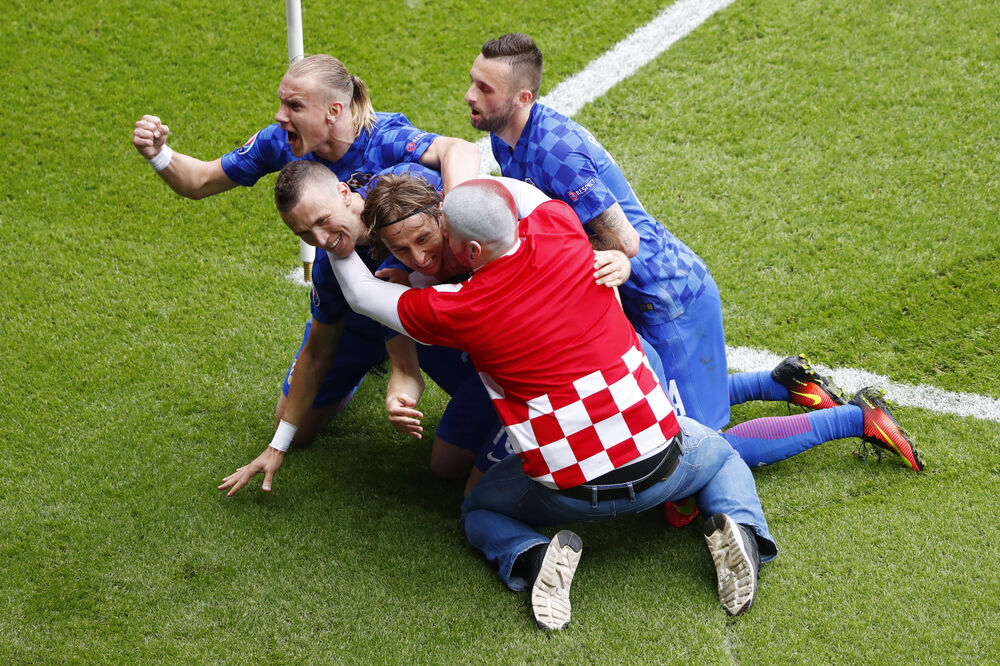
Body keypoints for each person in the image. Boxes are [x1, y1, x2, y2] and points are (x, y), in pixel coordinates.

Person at [461, 33, 923, 481]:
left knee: (698, 448)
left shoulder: (555, 152)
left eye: (484, 88)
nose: (469, 96)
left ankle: (856, 418)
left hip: (667, 298)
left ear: (522, 97)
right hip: (632, 296)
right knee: (660, 403)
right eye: (472, 81)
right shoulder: (508, 138)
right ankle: (785, 382)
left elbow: (625, 244)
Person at [331, 178, 778, 627]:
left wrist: (334, 240)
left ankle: (533, 554)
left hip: (572, 496)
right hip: (662, 465)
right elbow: (522, 194)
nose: (424, 255)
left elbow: (361, 295)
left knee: (478, 509)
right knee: (722, 459)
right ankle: (744, 532)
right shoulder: (560, 225)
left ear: (467, 251)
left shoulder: (457, 309)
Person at [217, 161, 496, 497]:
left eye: (321, 221)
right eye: (304, 233)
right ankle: (363, 369)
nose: (320, 239)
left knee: (455, 451)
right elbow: (318, 351)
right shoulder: (329, 268)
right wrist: (277, 447)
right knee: (296, 429)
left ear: (344, 193)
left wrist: (455, 205)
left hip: (422, 320)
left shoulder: (412, 191)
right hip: (367, 325)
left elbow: (456, 151)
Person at [132, 54, 480, 201]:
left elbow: (460, 149)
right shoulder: (280, 142)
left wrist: (455, 212)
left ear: (334, 111)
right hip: (345, 280)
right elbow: (201, 181)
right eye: (282, 102)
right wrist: (158, 154)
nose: (280, 116)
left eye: (294, 106)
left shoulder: (385, 139)